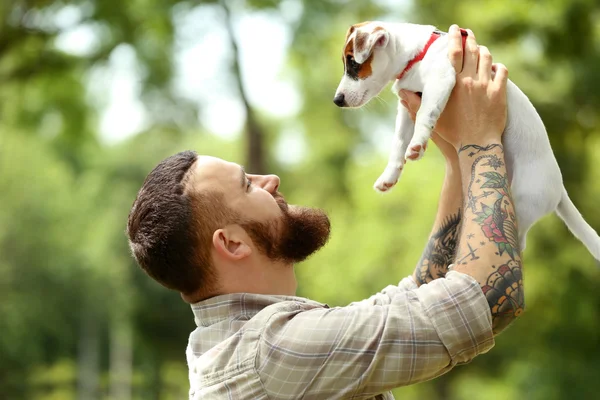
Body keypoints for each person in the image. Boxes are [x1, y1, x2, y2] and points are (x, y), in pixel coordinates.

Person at [126, 25, 523, 399]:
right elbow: (488, 300)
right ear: (231, 242)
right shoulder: (272, 353)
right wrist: (481, 141)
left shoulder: (244, 345)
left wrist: (454, 156)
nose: (271, 179)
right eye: (247, 184)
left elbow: (421, 298)